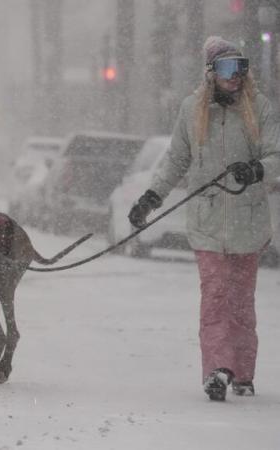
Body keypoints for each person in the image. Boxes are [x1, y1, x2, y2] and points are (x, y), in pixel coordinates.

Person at [128, 36, 280, 401]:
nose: (236, 76)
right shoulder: (192, 109)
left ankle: (243, 372)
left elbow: (277, 155)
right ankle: (216, 370)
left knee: (241, 301)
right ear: (211, 72)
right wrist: (151, 197)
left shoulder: (259, 107)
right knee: (214, 297)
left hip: (248, 222)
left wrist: (256, 169)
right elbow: (176, 161)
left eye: (241, 67)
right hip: (207, 223)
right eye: (228, 68)